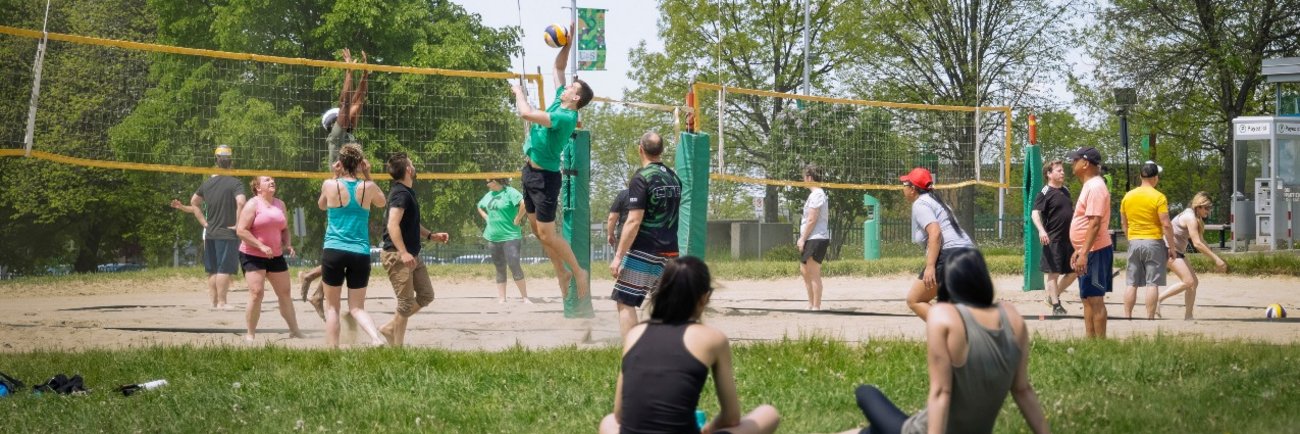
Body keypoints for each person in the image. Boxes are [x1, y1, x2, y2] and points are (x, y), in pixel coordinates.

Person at [839, 249, 1050, 434]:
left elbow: (941, 393)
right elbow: (1022, 390)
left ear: (948, 283)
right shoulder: (1012, 317)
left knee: (865, 392)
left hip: (920, 431)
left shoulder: (944, 316)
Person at [598, 256, 781, 434]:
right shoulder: (712, 339)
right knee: (768, 414)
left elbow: (620, 415)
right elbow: (731, 418)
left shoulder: (634, 334)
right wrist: (708, 429)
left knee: (608, 422)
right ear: (704, 297)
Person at [510, 24, 595, 300]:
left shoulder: (565, 117)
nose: (566, 86)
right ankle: (561, 272)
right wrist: (567, 45)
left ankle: (577, 271)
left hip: (545, 180)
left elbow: (525, 113)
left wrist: (518, 91)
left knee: (548, 234)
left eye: (571, 87)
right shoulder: (561, 101)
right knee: (537, 231)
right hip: (530, 172)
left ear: (576, 98)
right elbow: (557, 68)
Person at [303, 47, 371, 314]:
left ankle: (317, 290)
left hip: (351, 193)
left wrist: (366, 71)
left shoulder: (349, 135)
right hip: (342, 195)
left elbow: (358, 101)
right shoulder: (337, 135)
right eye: (344, 114)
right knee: (345, 249)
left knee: (349, 252)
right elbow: (346, 102)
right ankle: (317, 289)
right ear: (334, 121)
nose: (353, 113)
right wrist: (349, 70)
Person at [610, 132, 683, 337]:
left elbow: (633, 221)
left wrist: (618, 257)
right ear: (661, 151)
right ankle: (667, 347)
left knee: (625, 300)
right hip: (671, 251)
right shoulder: (674, 178)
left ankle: (633, 349)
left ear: (640, 149)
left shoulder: (642, 178)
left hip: (646, 249)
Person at [317, 143, 388, 348]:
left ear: (340, 162)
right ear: (359, 163)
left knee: (332, 308)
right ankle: (375, 338)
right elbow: (382, 202)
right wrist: (368, 174)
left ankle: (333, 350)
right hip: (359, 252)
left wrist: (333, 176)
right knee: (357, 307)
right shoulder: (368, 187)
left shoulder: (329, 185)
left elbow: (321, 205)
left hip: (334, 250)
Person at [378, 153, 448, 347]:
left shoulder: (407, 193)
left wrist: (431, 235)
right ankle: (398, 349)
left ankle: (391, 328)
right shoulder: (400, 194)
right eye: (412, 164)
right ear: (408, 169)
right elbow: (393, 225)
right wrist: (403, 252)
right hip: (398, 255)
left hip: (411, 254)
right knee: (406, 303)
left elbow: (411, 224)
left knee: (426, 295)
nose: (414, 166)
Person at [170, 144, 245, 309]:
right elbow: (241, 201)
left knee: (213, 270)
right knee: (224, 269)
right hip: (227, 232)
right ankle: (222, 303)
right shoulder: (235, 182)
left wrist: (205, 223)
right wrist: (238, 224)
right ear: (231, 161)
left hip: (210, 233)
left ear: (216, 161)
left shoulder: (207, 183)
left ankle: (213, 303)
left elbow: (194, 202)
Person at [898, 167, 975, 321]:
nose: (903, 188)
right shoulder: (938, 201)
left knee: (915, 300)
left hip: (950, 255)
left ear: (913, 189)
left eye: (905, 184)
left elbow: (935, 233)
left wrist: (930, 266)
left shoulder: (920, 203)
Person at [234, 175, 303, 341]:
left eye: (273, 180)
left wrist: (288, 244)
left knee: (285, 293)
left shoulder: (280, 204)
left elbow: (284, 228)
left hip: (275, 255)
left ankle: (294, 330)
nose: (272, 182)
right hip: (252, 254)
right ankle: (250, 334)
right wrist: (261, 245)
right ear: (258, 188)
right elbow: (241, 230)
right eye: (267, 180)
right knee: (257, 293)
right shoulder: (253, 204)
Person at [1119, 161, 1177, 320]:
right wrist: (1171, 247)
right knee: (1152, 283)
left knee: (1132, 282)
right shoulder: (1159, 197)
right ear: (1155, 178)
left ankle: (1127, 316)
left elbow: (1124, 223)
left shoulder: (1128, 196)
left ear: (1140, 176)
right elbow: (1166, 224)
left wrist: (1130, 238)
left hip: (1134, 241)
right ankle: (1150, 317)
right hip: (1153, 242)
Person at [1158, 192, 1228, 319]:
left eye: (1210, 208)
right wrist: (1216, 259)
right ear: (1198, 207)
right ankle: (1158, 300)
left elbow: (1202, 241)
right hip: (1168, 250)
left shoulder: (1193, 216)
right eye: (1206, 208)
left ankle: (1188, 315)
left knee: (1193, 283)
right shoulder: (1190, 218)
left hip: (1176, 251)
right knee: (1188, 282)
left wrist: (1216, 255)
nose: (1209, 211)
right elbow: (1197, 244)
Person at [1067, 147, 1113, 338]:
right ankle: (1091, 343)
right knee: (1086, 298)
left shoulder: (1095, 187)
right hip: (1088, 250)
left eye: (1074, 160)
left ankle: (1100, 346)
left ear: (1085, 163)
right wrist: (1078, 249)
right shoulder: (1090, 185)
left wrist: (1084, 252)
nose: (1072, 164)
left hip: (1095, 251)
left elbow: (1095, 223)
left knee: (1095, 299)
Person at [1031, 160, 1075, 315]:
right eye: (1058, 170)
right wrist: (1042, 231)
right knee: (1053, 273)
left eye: (1062, 170)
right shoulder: (1044, 192)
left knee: (1074, 271)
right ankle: (1056, 306)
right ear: (1049, 174)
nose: (1062, 173)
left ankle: (1052, 296)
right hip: (1053, 239)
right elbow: (1035, 213)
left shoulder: (1066, 191)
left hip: (1069, 239)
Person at [477, 178, 530, 303]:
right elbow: (479, 206)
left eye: (488, 180)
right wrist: (486, 217)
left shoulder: (510, 192)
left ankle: (525, 298)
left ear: (495, 181)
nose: (486, 182)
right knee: (500, 267)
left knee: (514, 264)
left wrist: (517, 218)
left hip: (510, 236)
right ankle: (502, 298)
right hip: (493, 237)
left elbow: (525, 203)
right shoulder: (489, 195)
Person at [797, 164, 830, 311]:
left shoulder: (817, 194)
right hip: (811, 237)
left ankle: (816, 306)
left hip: (816, 237)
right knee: (804, 271)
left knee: (813, 272)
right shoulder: (814, 194)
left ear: (809, 178)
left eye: (804, 177)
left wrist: (802, 238)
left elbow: (812, 219)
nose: (803, 180)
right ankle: (811, 304)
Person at [606, 183, 631, 248]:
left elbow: (612, 217)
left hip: (624, 234)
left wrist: (610, 234)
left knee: (621, 257)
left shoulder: (623, 194)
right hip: (646, 235)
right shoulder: (649, 195)